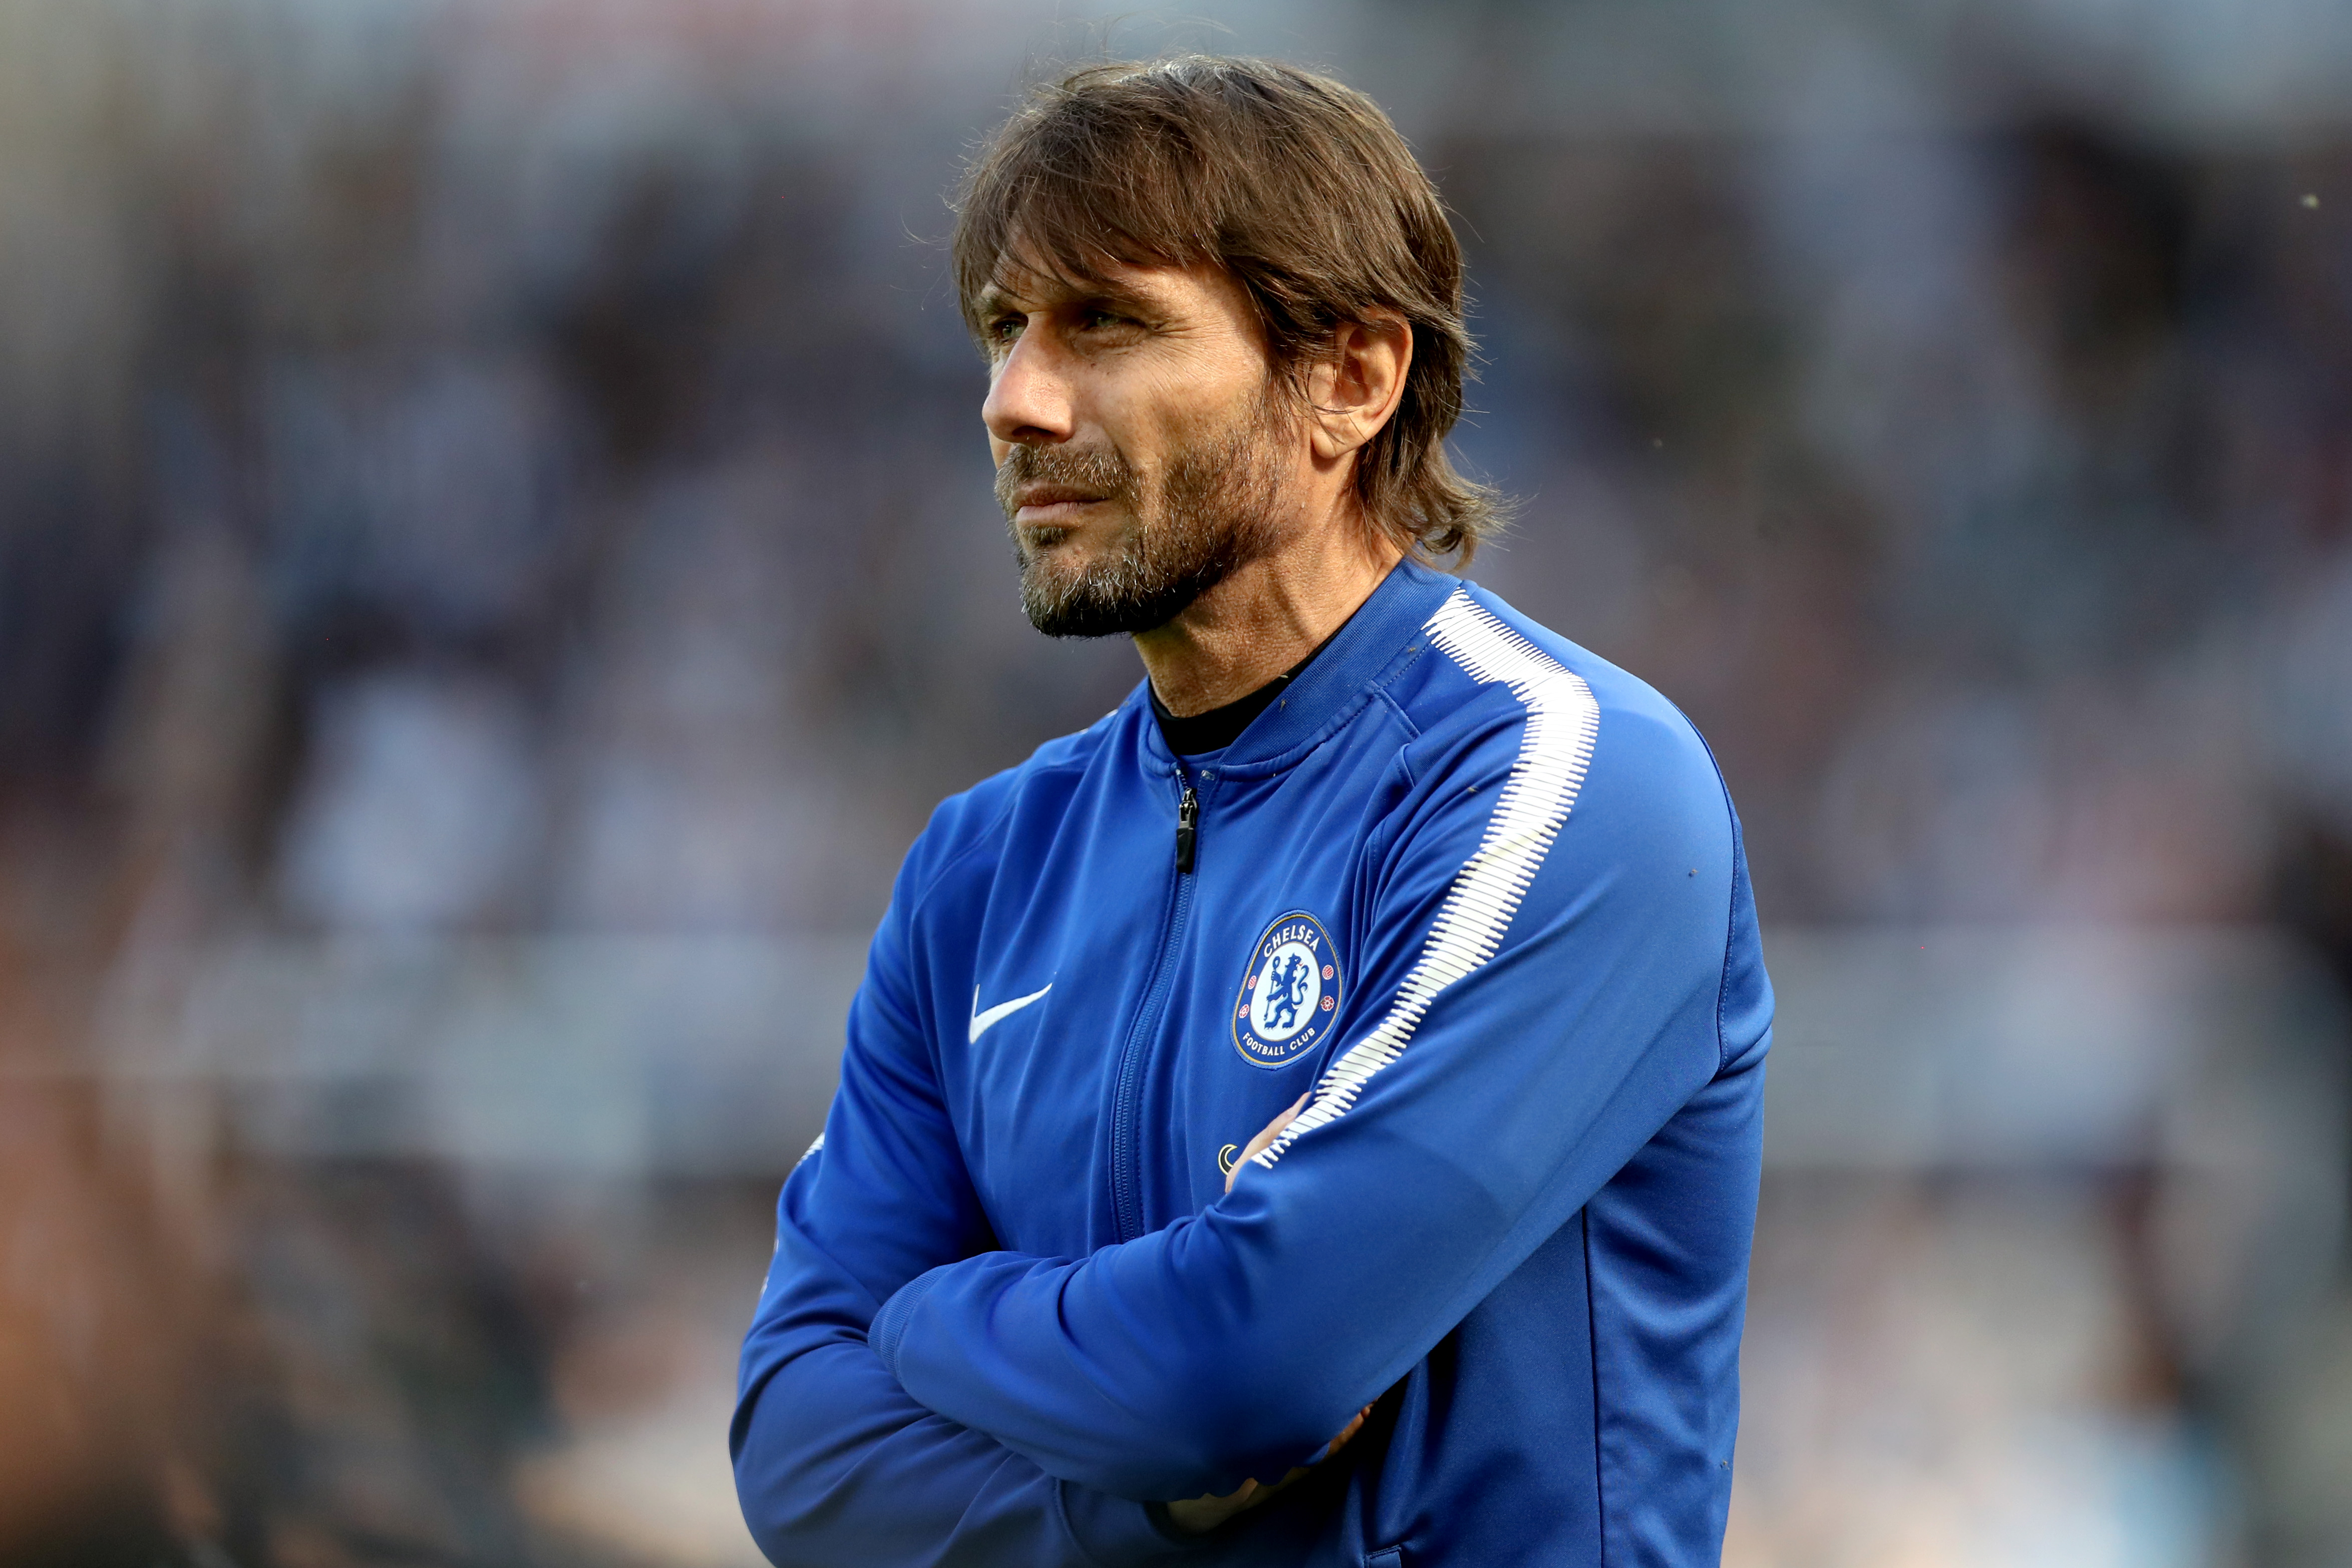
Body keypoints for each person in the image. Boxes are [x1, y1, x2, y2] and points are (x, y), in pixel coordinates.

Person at [732, 56, 1772, 1567]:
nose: (1013, 401)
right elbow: (796, 1448)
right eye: (1004, 329)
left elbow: (1246, 1365)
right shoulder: (977, 870)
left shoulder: (1564, 777)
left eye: (1108, 324)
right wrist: (1123, 1505)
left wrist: (930, 1314)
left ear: (1349, 378)